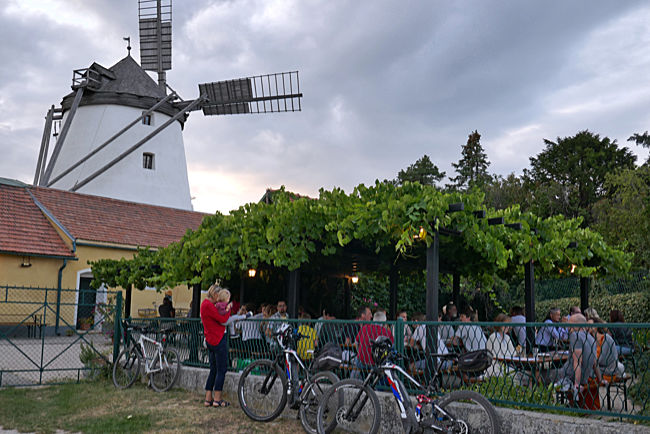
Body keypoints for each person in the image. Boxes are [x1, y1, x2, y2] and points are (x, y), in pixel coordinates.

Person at [555, 314, 605, 409]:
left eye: (570, 325)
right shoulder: (590, 338)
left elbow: (577, 362)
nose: (568, 328)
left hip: (568, 376)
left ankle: (539, 403)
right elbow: (595, 362)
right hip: (585, 378)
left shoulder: (575, 336)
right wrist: (600, 379)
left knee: (540, 374)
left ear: (576, 325)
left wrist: (577, 384)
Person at [200, 284, 231, 407]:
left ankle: (208, 398)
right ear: (216, 294)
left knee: (213, 369)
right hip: (218, 340)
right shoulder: (208, 305)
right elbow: (222, 319)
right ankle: (217, 399)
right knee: (221, 369)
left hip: (210, 340)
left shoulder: (204, 305)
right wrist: (228, 310)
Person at [354, 310, 394, 377]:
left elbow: (356, 342)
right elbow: (391, 347)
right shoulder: (387, 332)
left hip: (361, 361)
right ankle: (381, 386)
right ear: (385, 321)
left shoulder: (365, 328)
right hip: (376, 364)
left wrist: (360, 352)